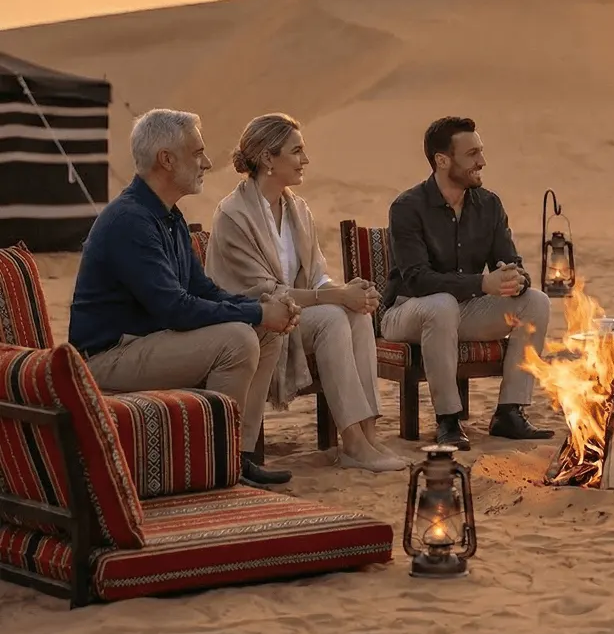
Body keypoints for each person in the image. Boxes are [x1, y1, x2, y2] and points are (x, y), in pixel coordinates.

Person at [69, 109, 297, 489]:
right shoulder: (132, 220)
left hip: (148, 342)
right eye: (198, 153)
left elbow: (201, 290)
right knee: (239, 338)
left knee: (263, 333)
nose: (207, 163)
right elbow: (174, 307)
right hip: (108, 358)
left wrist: (263, 311)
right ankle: (215, 466)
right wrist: (256, 311)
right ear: (167, 159)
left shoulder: (167, 216)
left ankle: (237, 456)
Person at [204, 113, 408, 473]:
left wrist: (347, 293)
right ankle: (353, 443)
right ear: (268, 158)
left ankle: (368, 437)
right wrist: (336, 298)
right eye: (296, 151)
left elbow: (317, 277)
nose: (305, 160)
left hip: (296, 316)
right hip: (255, 322)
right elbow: (263, 292)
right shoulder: (233, 215)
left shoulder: (298, 209)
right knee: (332, 317)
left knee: (356, 314)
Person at [379, 116, 555, 450]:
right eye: (472, 154)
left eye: (481, 152)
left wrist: (514, 278)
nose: (482, 162)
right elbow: (416, 279)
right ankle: (448, 420)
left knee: (536, 301)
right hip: (408, 313)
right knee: (442, 305)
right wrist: (481, 283)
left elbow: (511, 261)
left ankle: (509, 412)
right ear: (442, 161)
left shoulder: (489, 204)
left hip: (465, 312)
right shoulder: (407, 207)